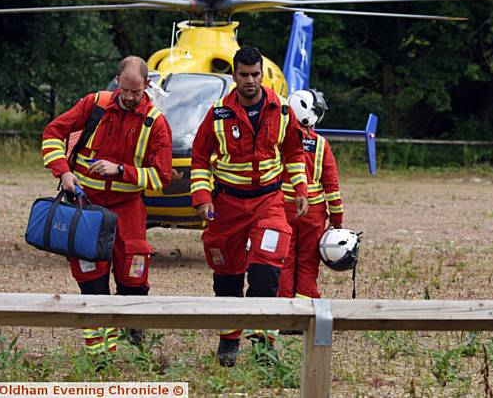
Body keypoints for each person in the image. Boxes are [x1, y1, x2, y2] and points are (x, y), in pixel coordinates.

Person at [40, 56, 172, 355]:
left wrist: (121, 170)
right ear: (117, 81)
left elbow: (161, 176)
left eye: (135, 92)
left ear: (147, 86)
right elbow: (52, 134)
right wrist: (64, 172)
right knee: (91, 280)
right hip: (88, 207)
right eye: (124, 90)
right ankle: (98, 354)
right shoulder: (94, 104)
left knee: (133, 280)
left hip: (128, 209)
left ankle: (132, 336)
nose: (128, 97)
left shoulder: (156, 123)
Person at [190, 46, 309, 367]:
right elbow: (200, 158)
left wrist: (299, 188)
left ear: (262, 74)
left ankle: (264, 344)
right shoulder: (217, 114)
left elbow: (295, 152)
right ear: (234, 76)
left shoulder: (282, 110)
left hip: (268, 202)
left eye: (255, 74)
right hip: (226, 204)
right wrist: (201, 197)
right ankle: (229, 341)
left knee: (266, 271)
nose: (250, 81)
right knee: (226, 276)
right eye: (244, 75)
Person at [278, 90, 344, 303]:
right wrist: (337, 219)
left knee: (284, 261)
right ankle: (305, 311)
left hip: (283, 209)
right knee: (308, 262)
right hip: (314, 215)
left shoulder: (280, 141)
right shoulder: (322, 144)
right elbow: (332, 186)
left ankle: (283, 312)